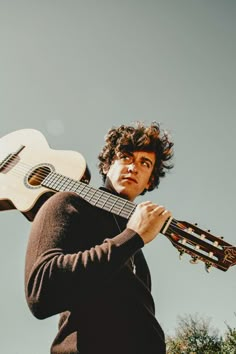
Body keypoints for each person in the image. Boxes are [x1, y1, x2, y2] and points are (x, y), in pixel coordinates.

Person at [24, 121, 174, 354]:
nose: (133, 168)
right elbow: (41, 291)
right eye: (126, 157)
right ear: (107, 165)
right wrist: (132, 237)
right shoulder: (68, 202)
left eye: (144, 163)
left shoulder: (138, 255)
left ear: (150, 181)